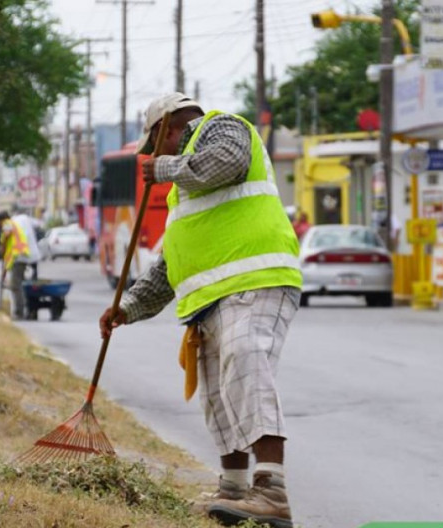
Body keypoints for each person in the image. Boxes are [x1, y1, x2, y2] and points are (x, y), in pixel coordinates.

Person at [98, 93, 301, 528]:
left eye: (156, 146)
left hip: (257, 280)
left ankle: (271, 491)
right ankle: (232, 491)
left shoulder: (221, 127)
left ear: (168, 126)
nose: (156, 157)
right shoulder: (182, 196)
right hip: (209, 301)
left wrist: (166, 168)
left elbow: (224, 163)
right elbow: (171, 262)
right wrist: (128, 306)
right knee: (217, 393)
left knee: (246, 361)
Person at [0, 211, 30, 320]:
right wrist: (3, 274)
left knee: (15, 286)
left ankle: (19, 312)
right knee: (18, 285)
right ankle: (24, 309)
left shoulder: (8, 222)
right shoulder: (12, 226)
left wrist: (2, 244)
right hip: (19, 257)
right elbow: (7, 260)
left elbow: (6, 233)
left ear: (1, 221)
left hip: (19, 256)